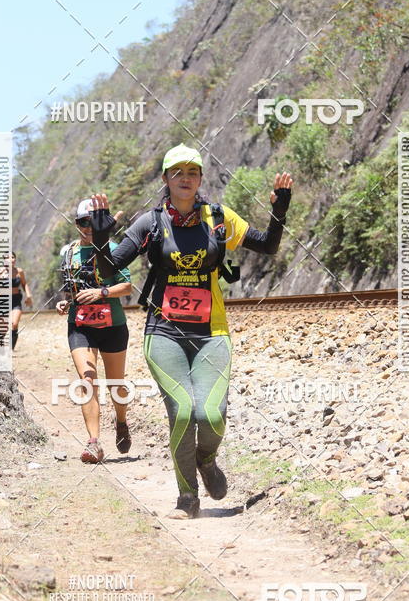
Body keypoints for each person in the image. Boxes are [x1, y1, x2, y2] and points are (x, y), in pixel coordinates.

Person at [87, 144, 292, 519]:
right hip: (163, 332)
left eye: (192, 172)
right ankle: (187, 498)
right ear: (165, 179)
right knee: (182, 413)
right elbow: (108, 268)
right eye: (177, 172)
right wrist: (101, 239)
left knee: (211, 415)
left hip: (211, 332)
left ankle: (206, 460)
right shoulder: (149, 223)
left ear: (200, 179)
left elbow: (268, 245)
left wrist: (279, 210)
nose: (185, 178)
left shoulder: (217, 218)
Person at [56, 198, 133, 463]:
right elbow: (71, 289)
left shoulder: (113, 248)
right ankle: (93, 443)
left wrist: (101, 292)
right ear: (76, 224)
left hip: (113, 325)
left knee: (116, 385)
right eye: (82, 222)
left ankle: (121, 421)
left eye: (93, 222)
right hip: (80, 326)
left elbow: (127, 287)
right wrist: (66, 302)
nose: (88, 227)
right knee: (87, 380)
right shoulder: (67, 253)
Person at [0, 252, 32, 350]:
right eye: (7, 257)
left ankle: (11, 349)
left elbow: (24, 284)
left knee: (14, 323)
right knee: (3, 327)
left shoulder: (19, 271)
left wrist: (28, 296)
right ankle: (0, 343)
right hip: (3, 301)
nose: (11, 259)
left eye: (12, 257)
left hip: (16, 299)